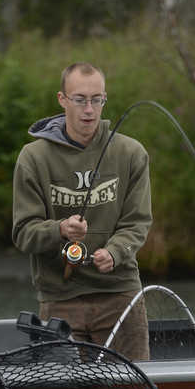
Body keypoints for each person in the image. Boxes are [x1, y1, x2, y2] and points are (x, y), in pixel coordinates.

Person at [12, 62, 152, 360]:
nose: (89, 109)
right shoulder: (33, 158)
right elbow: (23, 233)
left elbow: (137, 223)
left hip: (119, 295)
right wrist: (59, 230)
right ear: (62, 100)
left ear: (104, 100)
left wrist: (114, 252)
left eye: (96, 99)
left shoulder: (131, 153)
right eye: (79, 99)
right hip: (59, 299)